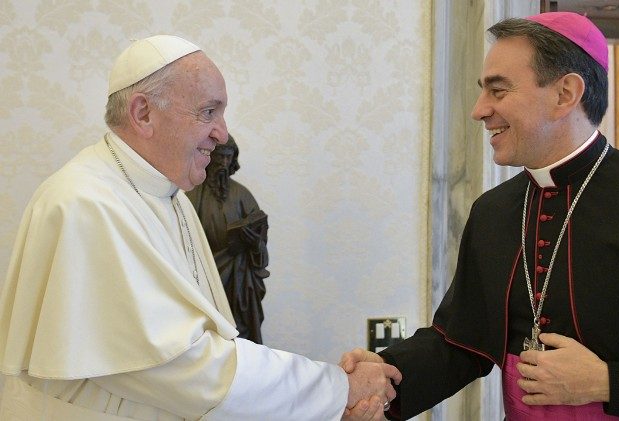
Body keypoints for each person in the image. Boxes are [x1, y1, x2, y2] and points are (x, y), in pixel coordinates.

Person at [340, 11, 619, 420]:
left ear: (565, 94)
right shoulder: (495, 211)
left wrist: (610, 381)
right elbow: (461, 342)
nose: (479, 110)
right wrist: (385, 378)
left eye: (498, 91)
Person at [0, 34, 399, 420]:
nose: (221, 133)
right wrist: (337, 390)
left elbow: (208, 349)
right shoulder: (85, 204)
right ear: (143, 113)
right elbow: (184, 366)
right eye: (208, 112)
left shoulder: (169, 194)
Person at [187, 133, 269, 344]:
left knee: (239, 337)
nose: (223, 162)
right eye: (220, 156)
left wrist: (254, 243)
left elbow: (260, 243)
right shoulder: (191, 194)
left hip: (238, 279)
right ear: (210, 156)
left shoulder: (243, 195)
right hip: (202, 276)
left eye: (228, 157)